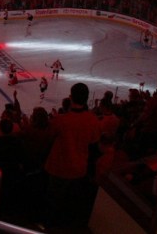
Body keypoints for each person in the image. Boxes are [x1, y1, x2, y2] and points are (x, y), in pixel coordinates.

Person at [42, 82, 100, 228]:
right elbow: (94, 144)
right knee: (70, 204)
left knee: (53, 203)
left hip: (58, 169)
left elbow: (48, 137)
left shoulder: (61, 120)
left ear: (71, 97)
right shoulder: (93, 120)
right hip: (79, 170)